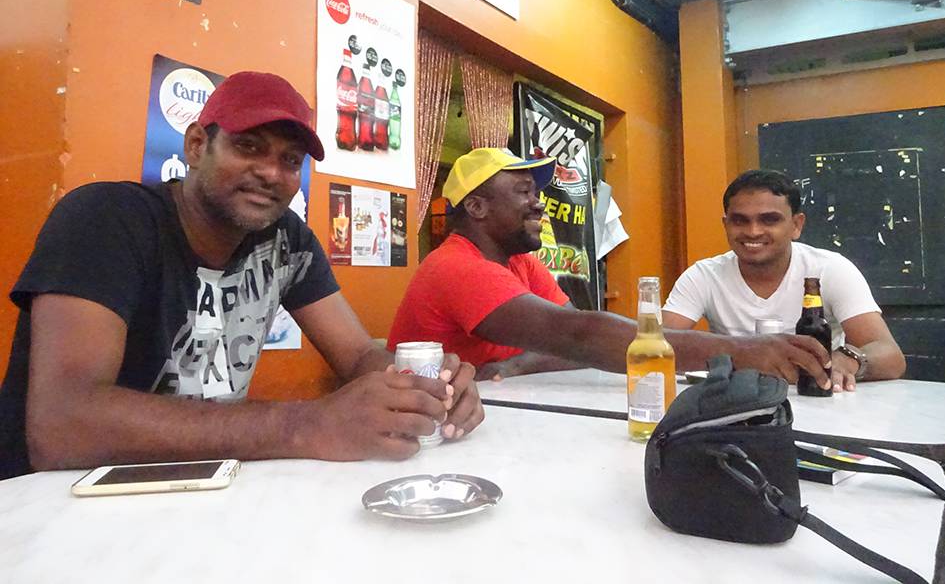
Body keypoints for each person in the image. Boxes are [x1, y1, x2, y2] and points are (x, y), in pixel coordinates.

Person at [0, 72, 483, 481]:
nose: (272, 173)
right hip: (55, 508)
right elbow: (63, 424)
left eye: (291, 161)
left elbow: (356, 353)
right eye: (249, 146)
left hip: (201, 494)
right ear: (196, 145)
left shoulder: (286, 239)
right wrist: (305, 425)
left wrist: (423, 390)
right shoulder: (107, 218)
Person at [388, 148, 834, 385]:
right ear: (478, 206)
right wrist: (743, 352)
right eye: (523, 191)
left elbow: (570, 337)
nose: (538, 202)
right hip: (436, 431)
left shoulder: (520, 261)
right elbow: (578, 336)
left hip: (502, 408)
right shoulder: (456, 267)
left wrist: (523, 364)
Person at [662, 169, 906, 392]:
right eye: (740, 220)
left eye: (769, 220)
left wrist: (851, 359)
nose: (753, 231)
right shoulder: (704, 275)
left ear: (796, 225)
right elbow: (657, 344)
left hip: (821, 402)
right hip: (735, 406)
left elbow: (890, 356)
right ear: (725, 225)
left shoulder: (830, 269)